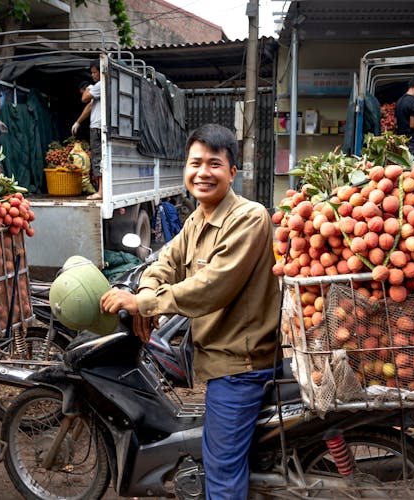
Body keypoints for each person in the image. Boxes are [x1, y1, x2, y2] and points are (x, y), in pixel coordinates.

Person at [99, 124, 280, 499]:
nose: (203, 172)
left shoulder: (249, 217)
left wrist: (143, 303)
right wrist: (144, 293)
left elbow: (212, 286)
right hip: (217, 357)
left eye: (214, 163)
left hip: (240, 364)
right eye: (195, 162)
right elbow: (166, 262)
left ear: (232, 172)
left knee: (221, 472)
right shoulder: (198, 217)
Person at [81, 63, 103, 200]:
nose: (93, 75)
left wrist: (89, 89)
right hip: (98, 126)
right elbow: (89, 106)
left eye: (95, 72)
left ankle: (101, 192)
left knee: (98, 160)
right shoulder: (101, 87)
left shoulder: (100, 85)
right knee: (100, 160)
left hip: (98, 127)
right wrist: (78, 122)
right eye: (92, 72)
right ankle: (102, 190)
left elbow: (84, 98)